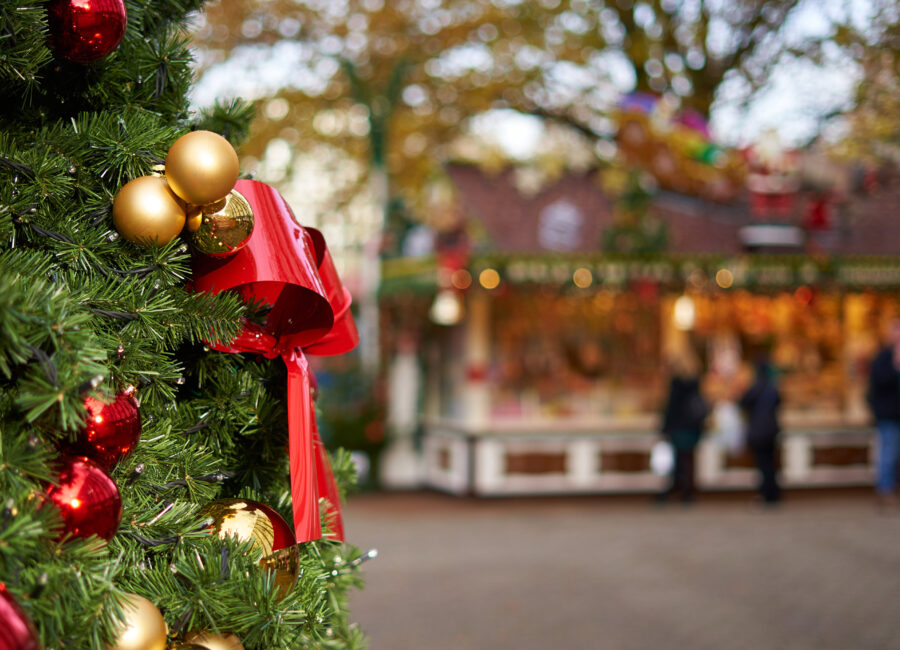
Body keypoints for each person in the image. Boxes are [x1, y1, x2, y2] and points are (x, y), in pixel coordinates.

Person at [657, 350, 707, 504]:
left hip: (679, 426)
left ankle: (680, 488)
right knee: (688, 458)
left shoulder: (677, 384)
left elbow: (672, 408)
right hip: (693, 426)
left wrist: (665, 427)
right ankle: (687, 489)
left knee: (680, 458)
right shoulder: (695, 383)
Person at [866, 319, 900, 510]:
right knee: (888, 454)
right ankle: (885, 490)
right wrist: (896, 366)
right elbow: (879, 384)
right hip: (889, 416)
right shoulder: (883, 358)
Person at [739, 359, 781, 505]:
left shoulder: (755, 388)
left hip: (758, 431)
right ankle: (773, 493)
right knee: (771, 464)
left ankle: (766, 494)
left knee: (763, 465)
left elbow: (743, 402)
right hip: (771, 430)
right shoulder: (772, 388)